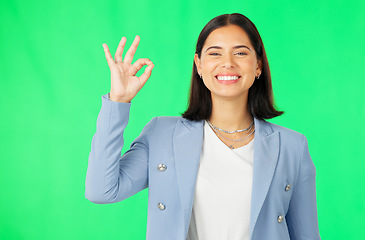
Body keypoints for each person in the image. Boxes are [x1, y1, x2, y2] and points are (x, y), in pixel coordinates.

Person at [85, 13, 321, 240]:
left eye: (240, 52)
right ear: (199, 65)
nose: (227, 63)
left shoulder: (292, 146)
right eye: (215, 53)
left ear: (258, 65)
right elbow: (101, 191)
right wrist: (118, 101)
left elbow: (307, 235)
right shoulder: (162, 134)